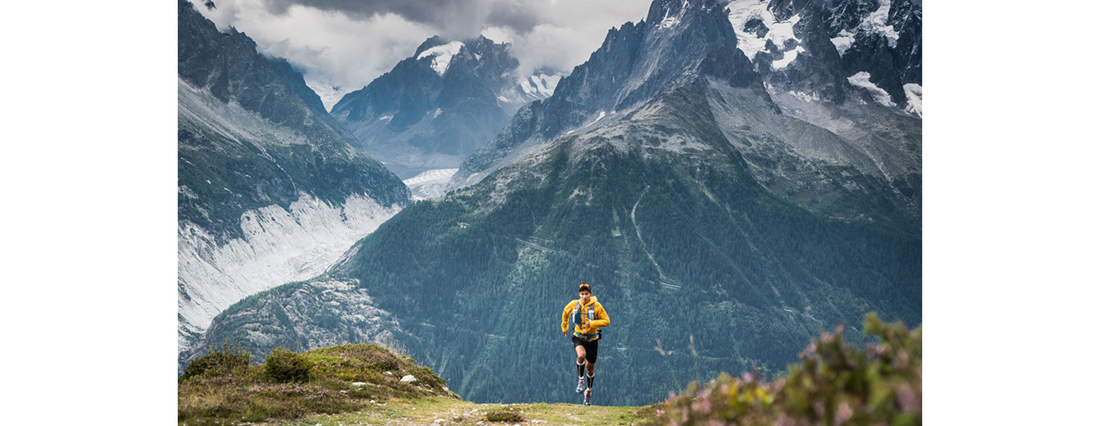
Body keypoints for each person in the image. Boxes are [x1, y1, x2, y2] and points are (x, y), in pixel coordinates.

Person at [561, 283, 609, 406]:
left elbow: (606, 321)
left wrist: (592, 323)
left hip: (592, 339)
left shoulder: (597, 306)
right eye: (582, 294)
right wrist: (564, 326)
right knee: (581, 355)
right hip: (578, 337)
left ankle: (588, 391)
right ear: (579, 294)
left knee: (590, 369)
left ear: (590, 294)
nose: (584, 296)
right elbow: (565, 312)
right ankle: (581, 380)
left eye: (586, 294)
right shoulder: (574, 304)